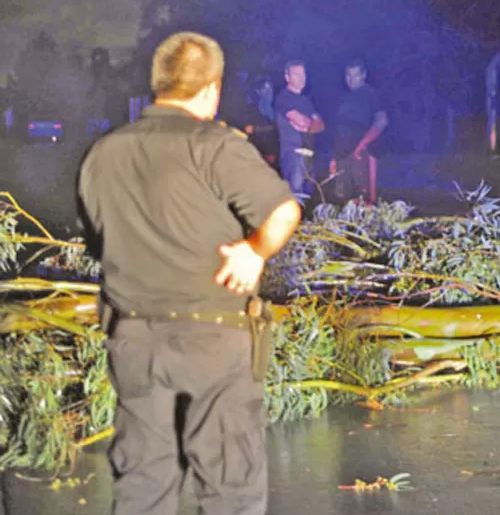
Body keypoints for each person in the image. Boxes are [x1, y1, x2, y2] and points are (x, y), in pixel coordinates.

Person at [76, 31, 302, 515]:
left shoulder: (103, 154)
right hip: (214, 339)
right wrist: (254, 251)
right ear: (212, 88)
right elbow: (283, 213)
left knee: (142, 484)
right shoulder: (217, 146)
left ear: (157, 85)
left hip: (133, 340)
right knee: (229, 488)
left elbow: (99, 242)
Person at [330, 58, 388, 204]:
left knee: (365, 200)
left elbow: (382, 121)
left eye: (355, 75)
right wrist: (334, 157)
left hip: (362, 155)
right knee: (344, 199)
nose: (351, 80)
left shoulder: (372, 94)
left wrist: (363, 143)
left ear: (363, 75)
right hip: (342, 157)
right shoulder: (342, 97)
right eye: (348, 75)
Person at [275, 60, 325, 205]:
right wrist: (310, 124)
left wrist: (310, 126)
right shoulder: (284, 98)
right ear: (287, 77)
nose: (301, 78)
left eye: (303, 74)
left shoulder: (306, 101)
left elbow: (320, 125)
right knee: (295, 200)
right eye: (296, 74)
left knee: (309, 199)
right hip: (294, 155)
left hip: (309, 155)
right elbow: (302, 121)